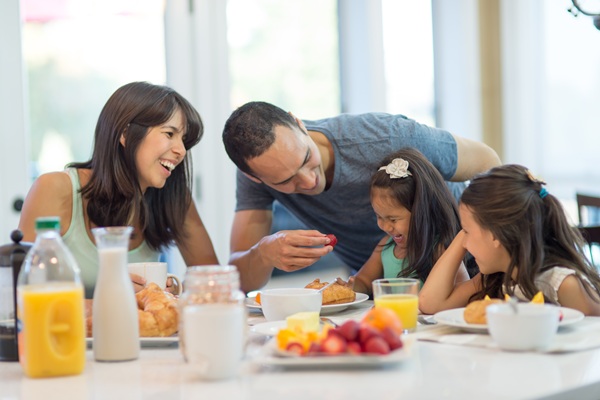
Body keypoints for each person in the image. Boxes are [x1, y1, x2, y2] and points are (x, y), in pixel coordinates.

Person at [222, 101, 501, 292]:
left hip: (472, 270)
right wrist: (263, 253)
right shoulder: (257, 175)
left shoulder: (385, 137)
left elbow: (488, 161)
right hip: (382, 289)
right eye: (285, 180)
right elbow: (239, 280)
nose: (308, 181)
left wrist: (472, 240)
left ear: (299, 124)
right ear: (254, 177)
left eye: (306, 158)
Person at [18, 81, 219, 299]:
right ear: (125, 134)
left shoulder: (173, 198)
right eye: (169, 134)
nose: (181, 150)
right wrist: (109, 296)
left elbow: (215, 284)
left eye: (184, 140)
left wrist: (174, 290)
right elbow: (23, 296)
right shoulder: (55, 188)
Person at [418, 164, 600, 316]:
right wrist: (464, 234)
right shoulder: (496, 278)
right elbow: (430, 303)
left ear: (495, 235)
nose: (464, 243)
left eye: (466, 232)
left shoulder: (562, 284)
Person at [350, 148, 471, 296]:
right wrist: (351, 286)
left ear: (421, 212)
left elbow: (463, 290)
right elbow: (364, 280)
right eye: (379, 216)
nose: (385, 226)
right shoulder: (385, 247)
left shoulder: (438, 249)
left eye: (393, 219)